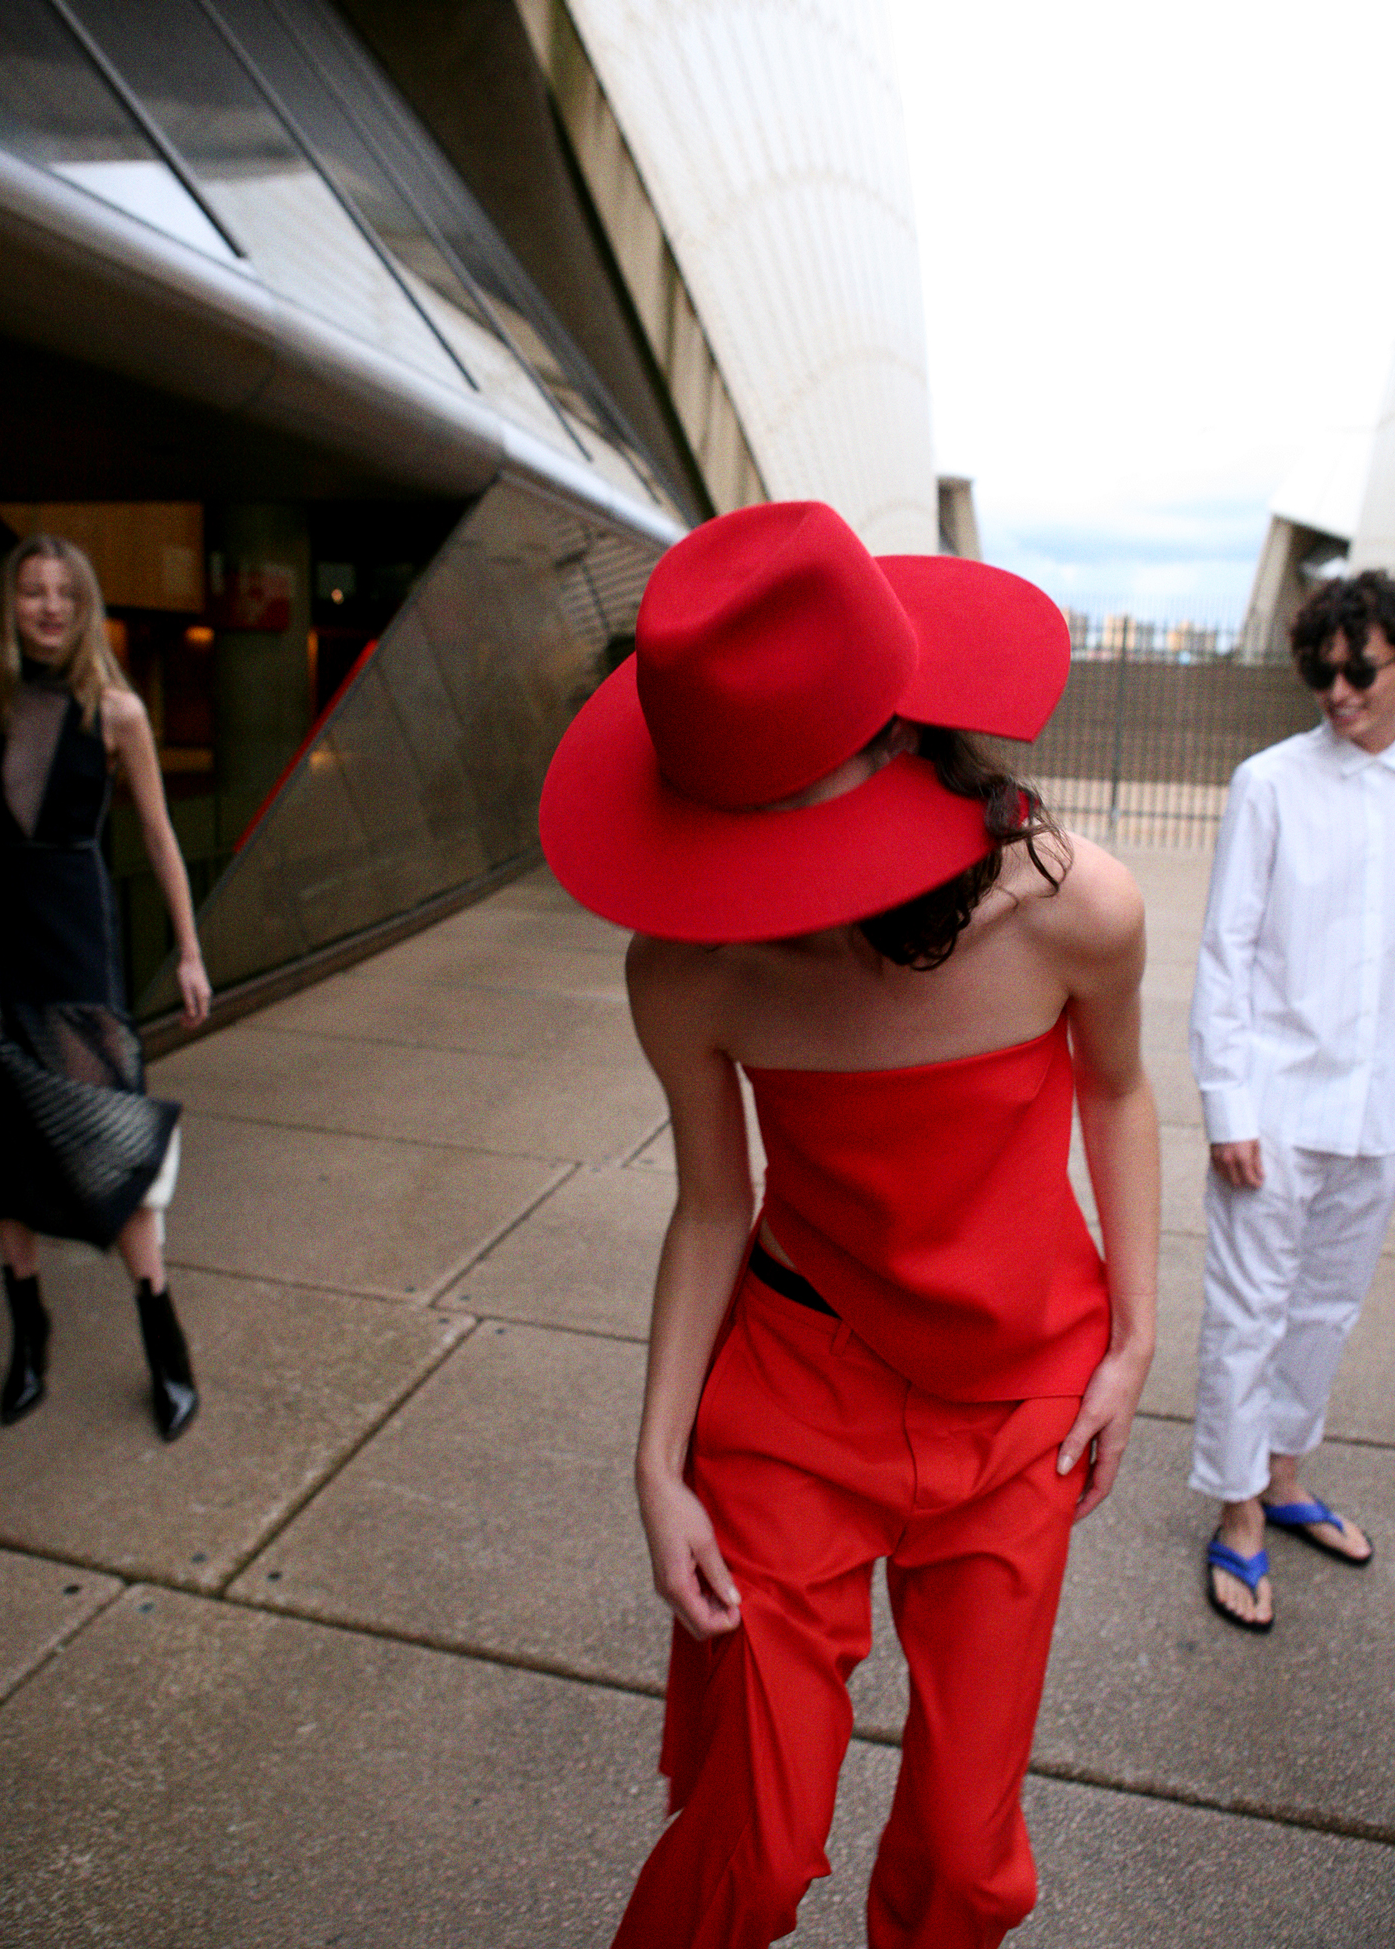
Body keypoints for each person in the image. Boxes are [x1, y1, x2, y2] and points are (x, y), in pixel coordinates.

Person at [539, 502, 1159, 1949]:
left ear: (903, 738)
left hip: (1018, 1406)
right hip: (791, 1399)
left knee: (962, 1859)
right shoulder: (689, 970)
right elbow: (711, 1205)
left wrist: (1132, 1342)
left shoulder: (1075, 909)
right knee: (747, 1852)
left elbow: (1120, 1094)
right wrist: (654, 1462)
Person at [1190, 569, 1395, 1632]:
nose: (1336, 688)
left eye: (1357, 667)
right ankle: (1234, 1513)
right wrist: (1227, 1103)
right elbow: (1223, 952)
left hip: (1377, 1115)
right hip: (1269, 1112)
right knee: (1245, 1314)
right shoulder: (1267, 781)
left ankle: (1282, 1474)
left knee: (1326, 1309)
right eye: (1319, 670)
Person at [0, 533, 211, 1441]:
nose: (46, 606)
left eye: (62, 593)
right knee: (2, 1148)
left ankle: (165, 1344)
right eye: (30, 591)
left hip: (76, 941)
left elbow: (161, 840)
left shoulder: (116, 710)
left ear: (83, 607)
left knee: (111, 1136)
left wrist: (191, 951)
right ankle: (30, 1339)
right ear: (10, 606)